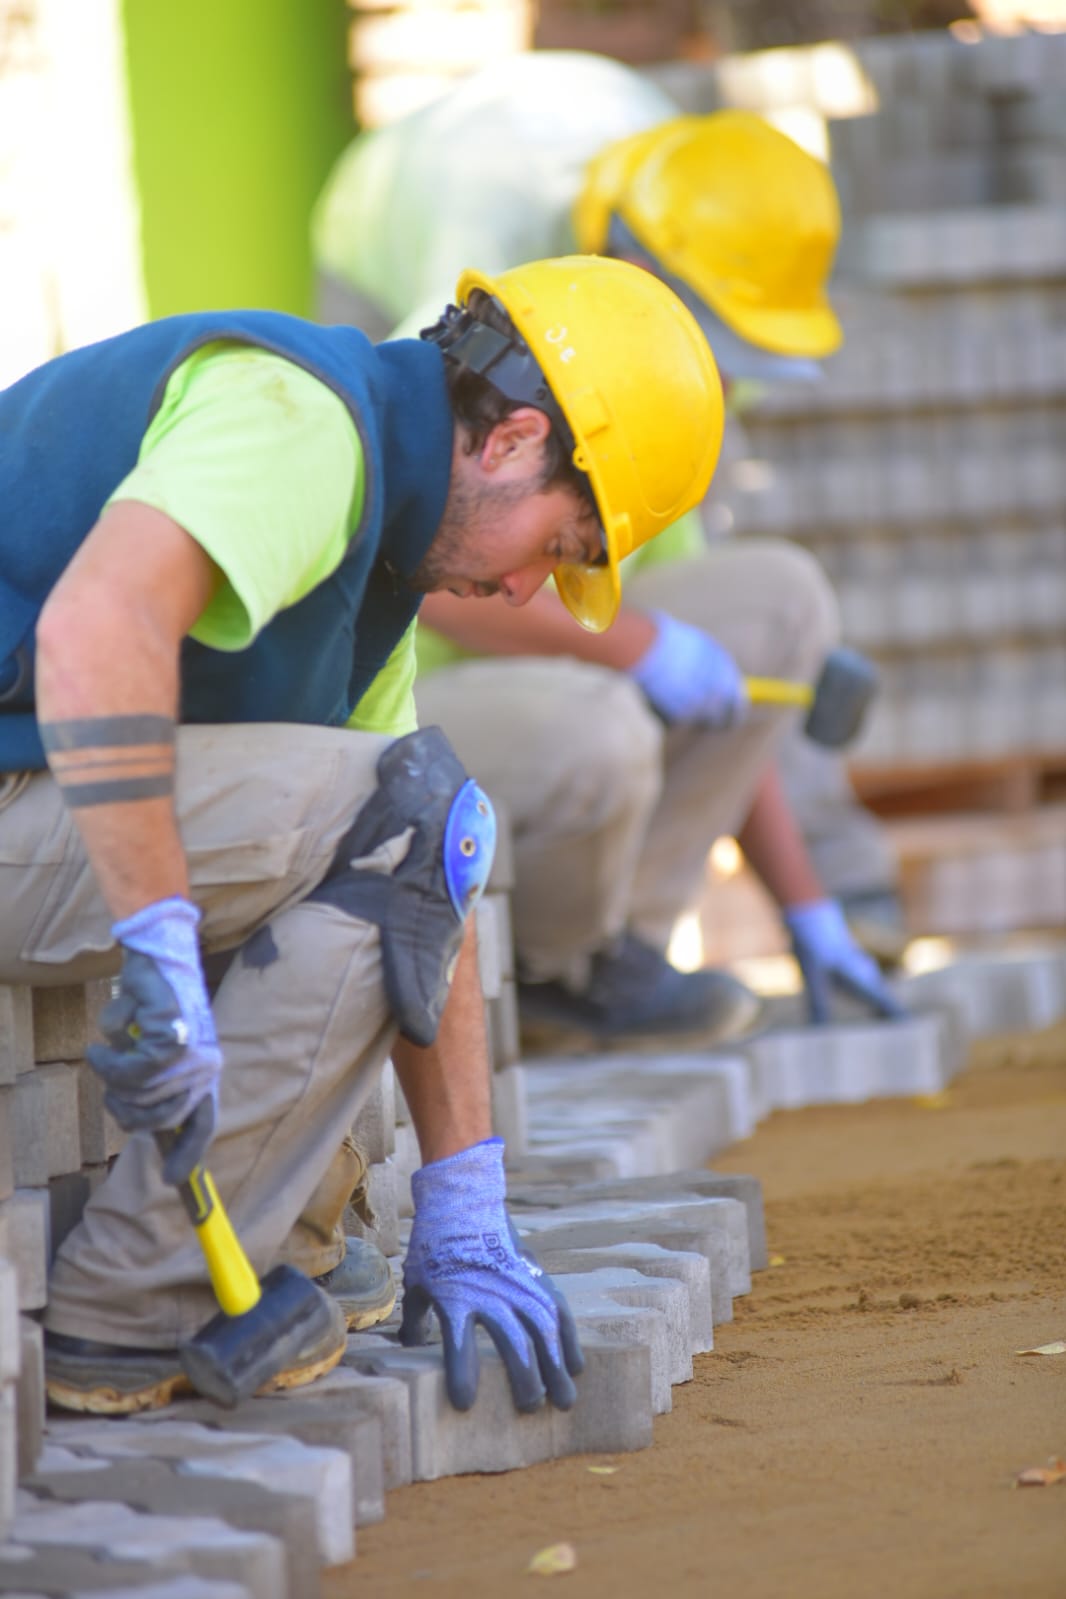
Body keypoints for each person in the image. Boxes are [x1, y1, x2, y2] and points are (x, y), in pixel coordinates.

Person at [0, 253, 723, 1415]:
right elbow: (96, 626)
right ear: (511, 440)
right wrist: (162, 941)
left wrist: (466, 1204)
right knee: (406, 808)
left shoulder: (377, 546)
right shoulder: (298, 420)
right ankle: (137, 1308)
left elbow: (432, 851)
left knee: (416, 818)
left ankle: (250, 1251)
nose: (535, 593)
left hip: (31, 801)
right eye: (560, 545)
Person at [312, 50, 906, 1041]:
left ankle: (605, 957)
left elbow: (719, 679)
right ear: (645, 282)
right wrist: (631, 646)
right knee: (504, 604)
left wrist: (804, 901)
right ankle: (540, 936)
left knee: (771, 604)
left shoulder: (705, 212)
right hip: (385, 229)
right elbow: (427, 554)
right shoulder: (482, 274)